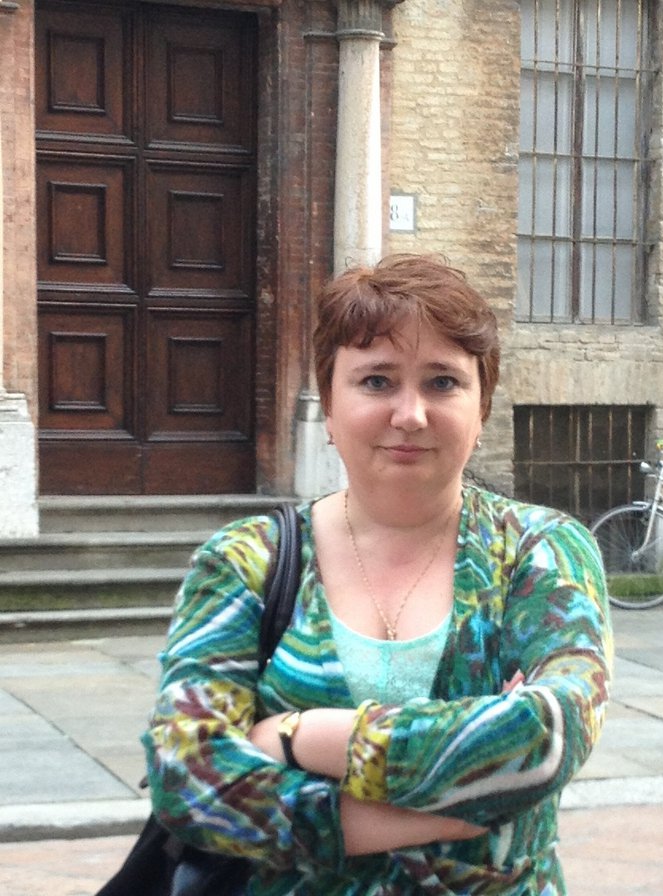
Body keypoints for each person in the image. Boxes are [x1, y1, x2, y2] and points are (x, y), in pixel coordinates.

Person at [142, 253, 613, 895]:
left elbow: (549, 736)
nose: (410, 414)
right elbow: (184, 775)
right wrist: (426, 814)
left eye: (442, 382)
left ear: (481, 409)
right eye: (376, 381)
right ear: (329, 407)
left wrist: (299, 736)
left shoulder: (540, 550)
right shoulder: (246, 561)